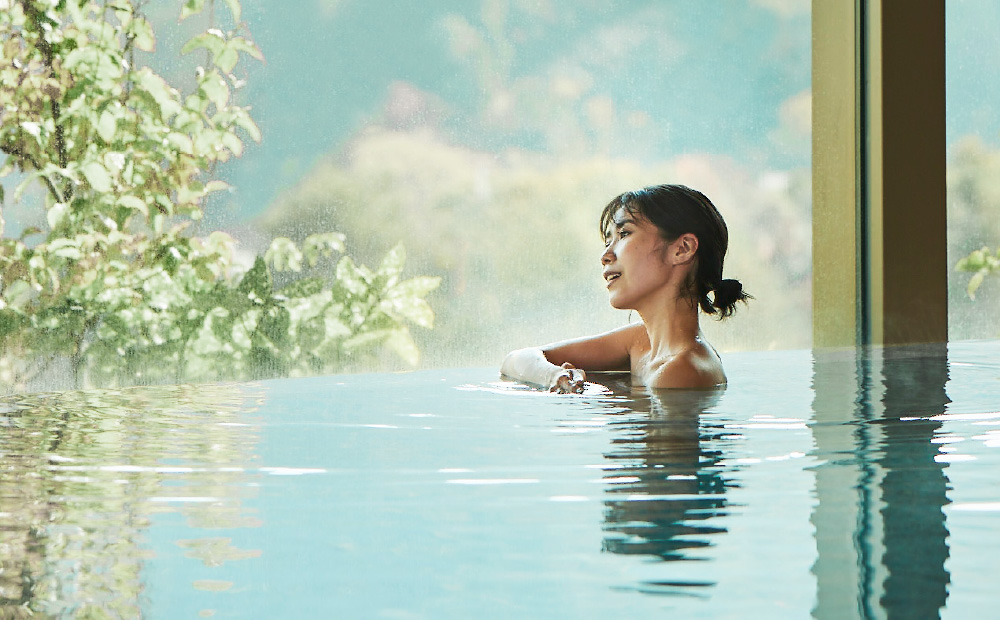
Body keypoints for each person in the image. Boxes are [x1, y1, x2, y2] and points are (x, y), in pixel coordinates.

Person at [501, 184, 749, 392]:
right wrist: (554, 376)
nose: (606, 255)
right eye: (609, 241)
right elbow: (517, 359)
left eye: (625, 233)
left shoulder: (683, 371)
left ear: (681, 249)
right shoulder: (642, 342)